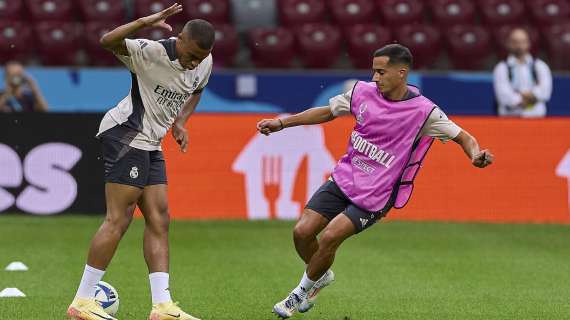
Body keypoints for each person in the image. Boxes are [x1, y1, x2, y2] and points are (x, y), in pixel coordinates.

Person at [257, 44, 494, 319]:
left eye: (381, 72)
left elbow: (464, 137)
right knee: (301, 232)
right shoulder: (362, 92)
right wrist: (282, 123)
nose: (375, 78)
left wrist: (476, 154)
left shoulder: (424, 112)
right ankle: (319, 275)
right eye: (373, 71)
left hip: (377, 194)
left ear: (401, 72)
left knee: (331, 236)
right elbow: (327, 111)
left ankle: (297, 294)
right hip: (345, 177)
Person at [67, 4, 214, 320]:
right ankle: (81, 302)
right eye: (189, 56)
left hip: (151, 141)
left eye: (199, 59)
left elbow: (197, 89)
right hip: (125, 134)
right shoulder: (149, 51)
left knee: (160, 218)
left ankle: (162, 306)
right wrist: (144, 22)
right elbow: (107, 41)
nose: (192, 64)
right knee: (118, 219)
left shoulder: (204, 62)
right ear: (181, 40)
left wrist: (181, 122)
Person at [493, 28, 552, 117]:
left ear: (528, 43)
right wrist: (522, 100)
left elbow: (545, 92)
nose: (519, 45)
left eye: (522, 41)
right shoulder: (501, 68)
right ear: (508, 44)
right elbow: (503, 96)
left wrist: (531, 94)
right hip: (510, 118)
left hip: (536, 118)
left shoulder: (540, 66)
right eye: (515, 42)